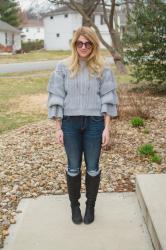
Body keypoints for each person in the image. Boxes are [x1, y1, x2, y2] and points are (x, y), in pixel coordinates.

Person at [47, 26, 119, 225]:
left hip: (95, 124)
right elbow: (57, 96)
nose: (84, 46)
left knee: (93, 168)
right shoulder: (63, 66)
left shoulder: (103, 69)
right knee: (73, 168)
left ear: (94, 45)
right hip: (70, 123)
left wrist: (107, 128)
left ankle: (90, 206)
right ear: (75, 44)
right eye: (80, 43)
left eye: (88, 43)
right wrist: (58, 127)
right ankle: (74, 206)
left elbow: (108, 98)